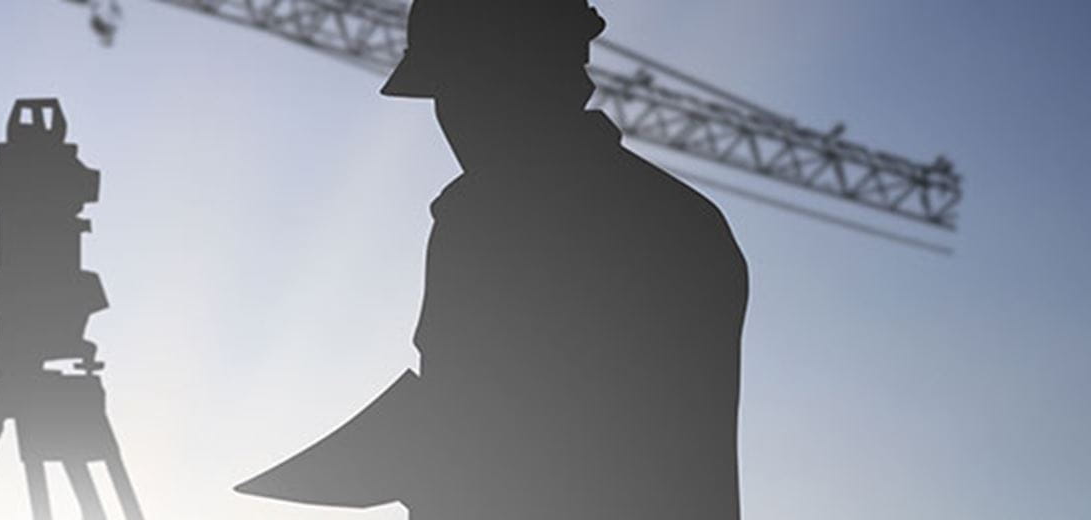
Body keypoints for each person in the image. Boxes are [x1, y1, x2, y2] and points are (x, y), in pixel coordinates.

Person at [233, 1, 751, 518]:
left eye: (453, 88)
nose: (448, 116)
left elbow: (481, 437)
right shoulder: (687, 217)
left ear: (506, 79)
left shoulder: (494, 211)